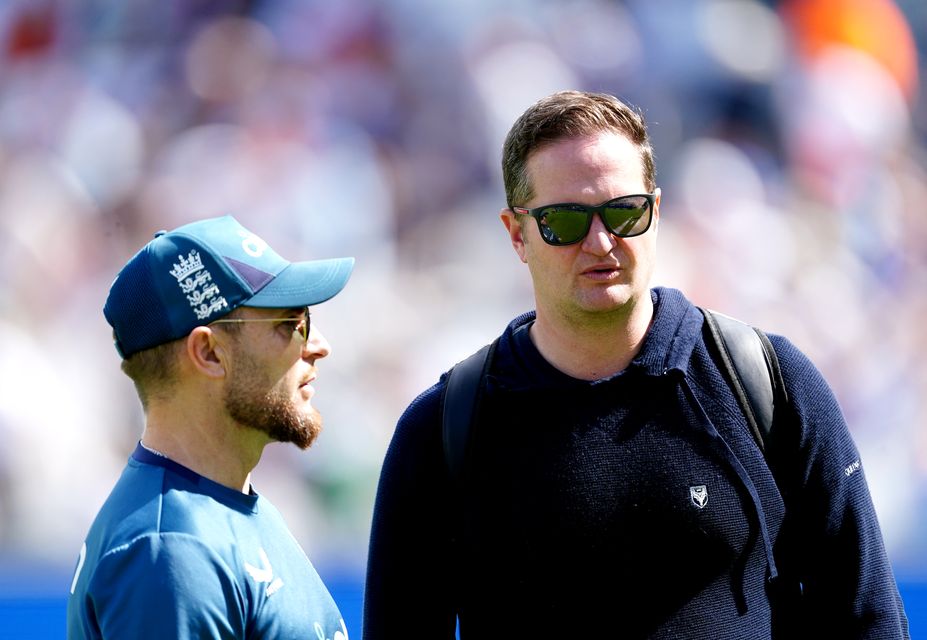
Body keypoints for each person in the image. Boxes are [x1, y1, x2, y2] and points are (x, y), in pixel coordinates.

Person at [362, 91, 909, 638]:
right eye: (564, 221)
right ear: (516, 234)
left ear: (655, 212)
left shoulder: (768, 383)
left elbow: (869, 619)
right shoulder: (444, 428)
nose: (600, 241)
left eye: (624, 212)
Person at [67, 215, 354, 639]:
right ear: (209, 353)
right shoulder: (171, 552)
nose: (318, 345)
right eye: (289, 324)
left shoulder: (222, 512)